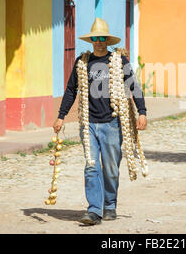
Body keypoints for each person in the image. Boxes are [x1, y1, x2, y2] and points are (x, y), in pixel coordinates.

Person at [53, 18, 147, 226]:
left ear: (107, 40)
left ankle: (110, 205)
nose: (99, 42)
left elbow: (134, 86)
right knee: (91, 166)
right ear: (91, 40)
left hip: (112, 124)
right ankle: (94, 210)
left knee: (111, 168)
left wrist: (142, 111)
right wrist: (61, 115)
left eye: (102, 38)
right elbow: (71, 90)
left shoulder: (118, 61)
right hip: (88, 124)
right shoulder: (82, 62)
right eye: (95, 38)